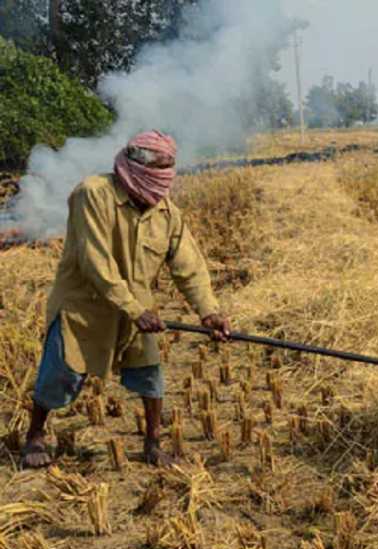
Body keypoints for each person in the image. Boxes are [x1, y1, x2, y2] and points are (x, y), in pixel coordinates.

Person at [20, 130, 230, 468]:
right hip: (83, 307)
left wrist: (210, 313)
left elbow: (189, 266)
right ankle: (34, 437)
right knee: (60, 373)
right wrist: (134, 308)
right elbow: (95, 261)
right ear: (132, 168)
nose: (155, 193)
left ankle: (152, 444)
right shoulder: (93, 194)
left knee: (150, 377)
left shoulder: (167, 214)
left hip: (136, 312)